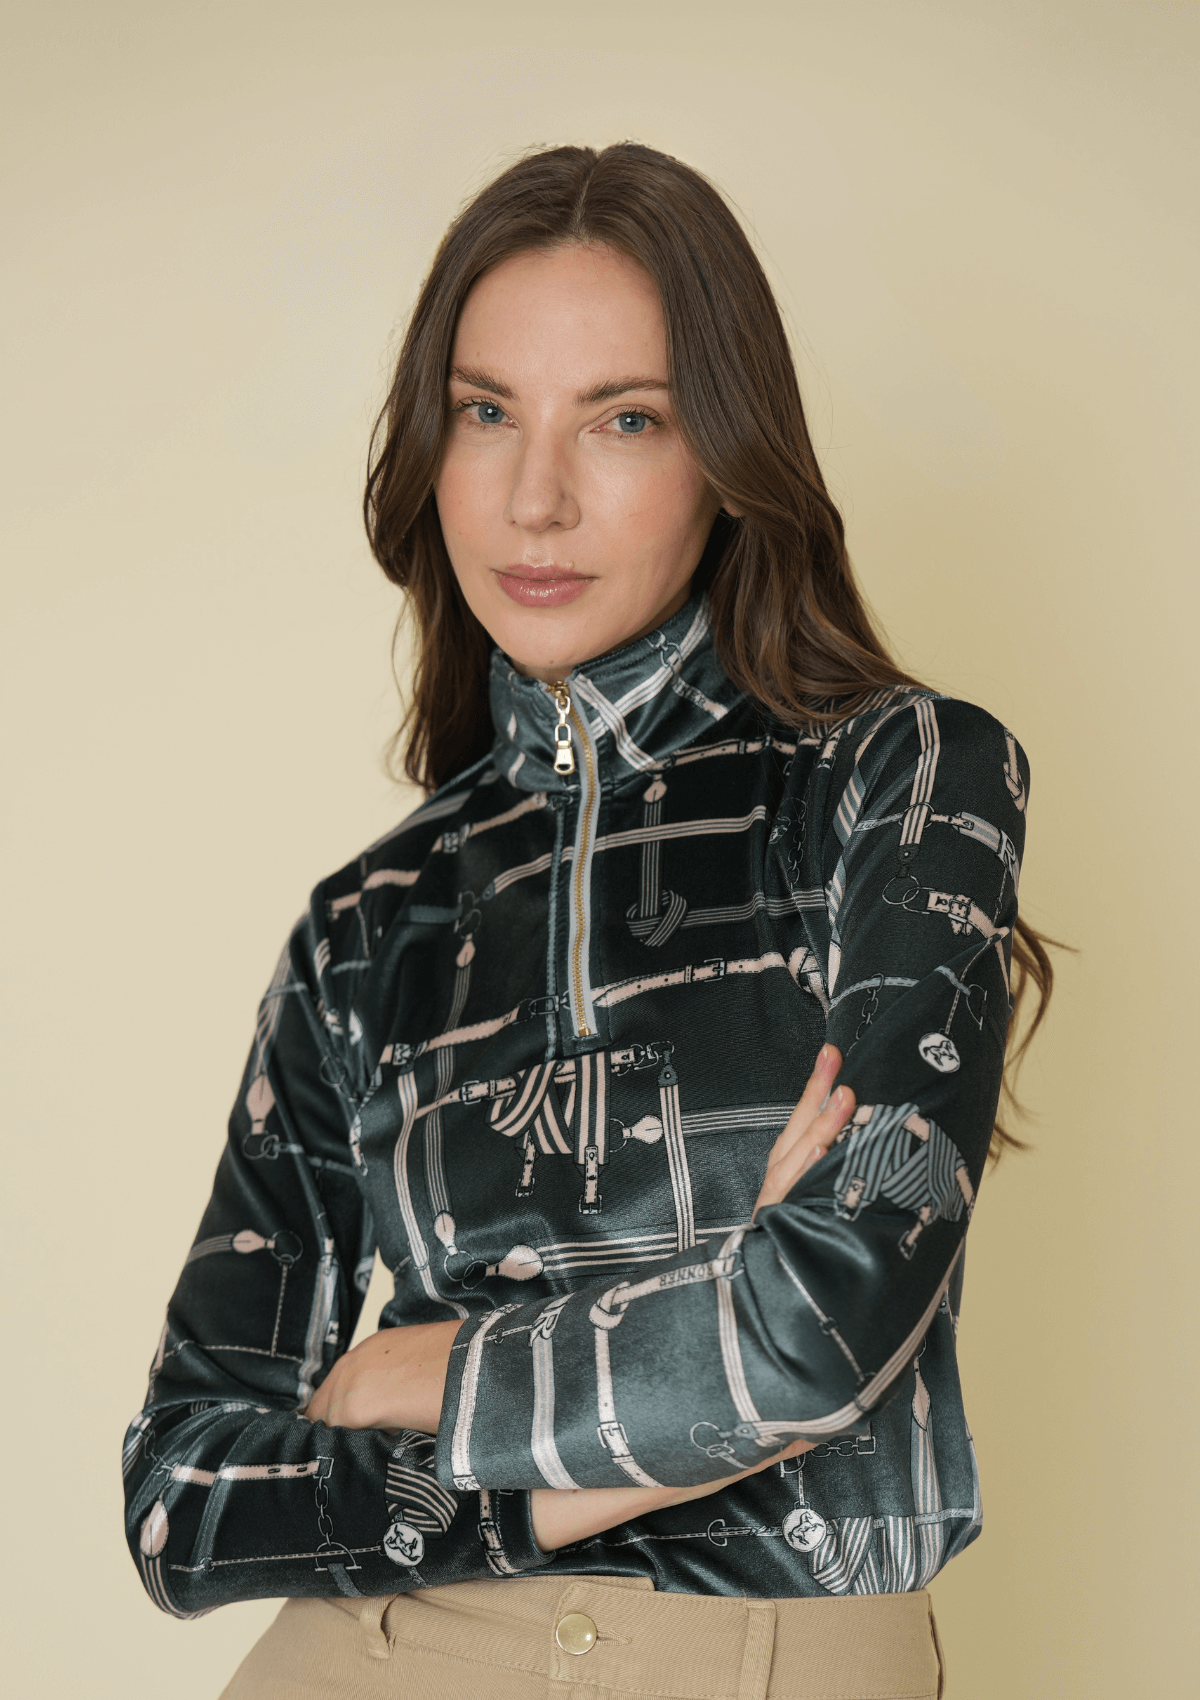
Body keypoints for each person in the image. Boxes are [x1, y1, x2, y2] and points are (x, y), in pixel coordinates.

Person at [123, 143, 1052, 1700]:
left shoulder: (902, 780)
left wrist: (418, 1377)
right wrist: (665, 1399)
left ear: (728, 452)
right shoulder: (371, 922)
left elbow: (828, 1314)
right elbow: (179, 1500)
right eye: (487, 413)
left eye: (625, 419)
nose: (534, 495)